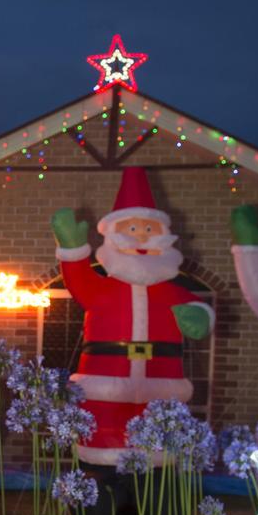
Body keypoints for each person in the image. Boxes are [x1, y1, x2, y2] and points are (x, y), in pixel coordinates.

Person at [50, 167, 214, 466]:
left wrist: (199, 316)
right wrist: (72, 249)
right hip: (105, 382)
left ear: (163, 236)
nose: (141, 238)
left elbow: (196, 308)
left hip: (161, 382)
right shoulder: (100, 289)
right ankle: (102, 490)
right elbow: (77, 279)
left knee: (157, 447)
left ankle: (151, 494)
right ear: (112, 237)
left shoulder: (172, 291)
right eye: (131, 229)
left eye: (149, 230)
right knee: (102, 434)